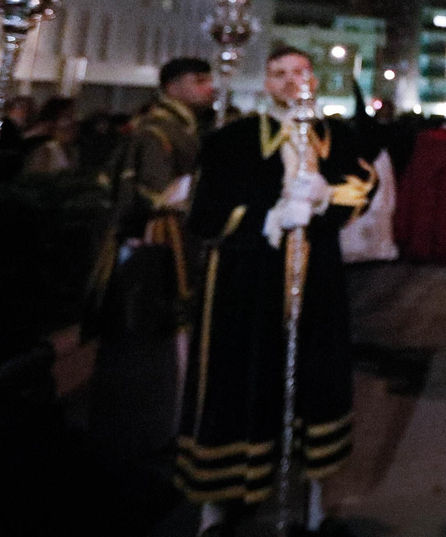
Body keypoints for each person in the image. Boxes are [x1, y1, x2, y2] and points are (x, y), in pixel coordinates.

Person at [176, 46, 374, 534]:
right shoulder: (232, 140)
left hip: (316, 278)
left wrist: (326, 200)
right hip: (245, 281)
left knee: (316, 379)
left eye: (299, 71)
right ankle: (219, 501)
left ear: (313, 78)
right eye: (279, 74)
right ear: (266, 83)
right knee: (238, 380)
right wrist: (267, 218)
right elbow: (205, 212)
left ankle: (314, 496)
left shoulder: (335, 136)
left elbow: (362, 187)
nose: (290, 81)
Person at [84, 59, 216, 466]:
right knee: (157, 334)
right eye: (199, 80)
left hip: (182, 241)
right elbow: (159, 193)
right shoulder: (155, 131)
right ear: (173, 86)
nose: (209, 87)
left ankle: (171, 420)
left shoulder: (187, 127)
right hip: (161, 246)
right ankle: (151, 427)